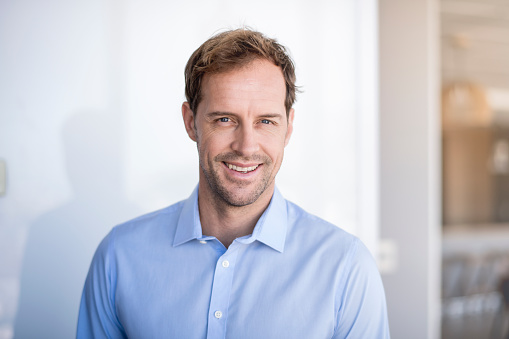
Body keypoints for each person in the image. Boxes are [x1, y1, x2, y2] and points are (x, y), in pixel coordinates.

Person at [77, 28, 390, 339]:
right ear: (190, 122)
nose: (246, 146)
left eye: (266, 121)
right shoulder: (119, 257)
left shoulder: (346, 268)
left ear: (289, 127)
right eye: (224, 119)